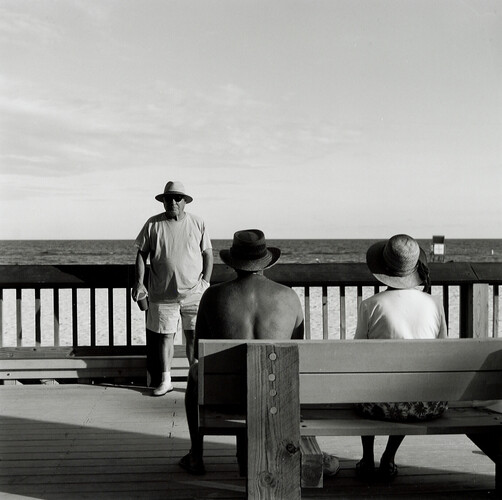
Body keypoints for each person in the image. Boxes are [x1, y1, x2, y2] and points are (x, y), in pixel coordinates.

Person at [179, 229, 339, 477]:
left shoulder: (212, 296)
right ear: (265, 262)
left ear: (234, 262)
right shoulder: (289, 297)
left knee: (193, 375)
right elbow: (297, 351)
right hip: (275, 397)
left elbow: (200, 348)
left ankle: (196, 455)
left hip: (226, 398)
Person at [353, 234, 448, 481]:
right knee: (409, 385)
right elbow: (443, 351)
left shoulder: (370, 305)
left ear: (383, 268)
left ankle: (367, 458)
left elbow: (357, 355)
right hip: (424, 405)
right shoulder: (435, 304)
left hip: (376, 406)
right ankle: (389, 456)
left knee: (367, 384)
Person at [132, 181, 213, 397]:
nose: (173, 202)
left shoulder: (198, 223)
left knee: (193, 336)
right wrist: (139, 282)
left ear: (185, 201)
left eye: (178, 198)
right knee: (165, 338)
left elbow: (208, 254)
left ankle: (195, 381)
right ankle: (166, 380)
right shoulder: (152, 224)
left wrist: (206, 281)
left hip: (195, 292)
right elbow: (141, 254)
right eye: (169, 198)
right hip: (162, 294)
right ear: (163, 201)